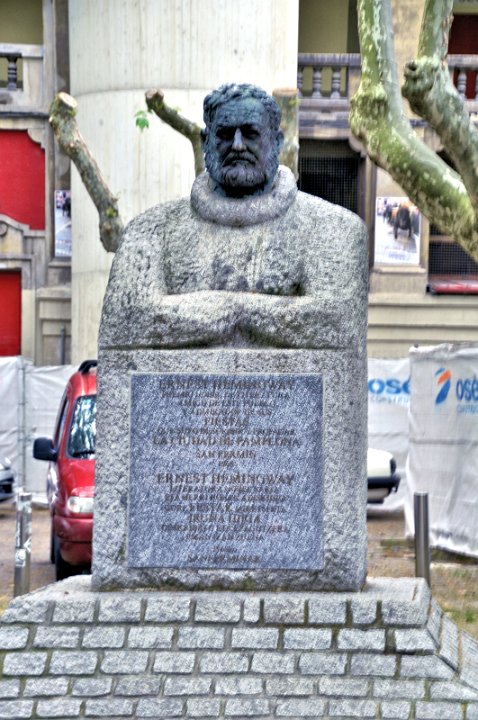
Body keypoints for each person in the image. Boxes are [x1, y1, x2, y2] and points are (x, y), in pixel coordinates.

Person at [100, 83, 367, 352]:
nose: (237, 146)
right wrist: (249, 314)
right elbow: (125, 321)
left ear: (276, 142)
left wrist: (230, 310)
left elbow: (338, 323)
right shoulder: (150, 231)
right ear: (206, 142)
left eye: (250, 134)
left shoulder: (332, 228)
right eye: (225, 135)